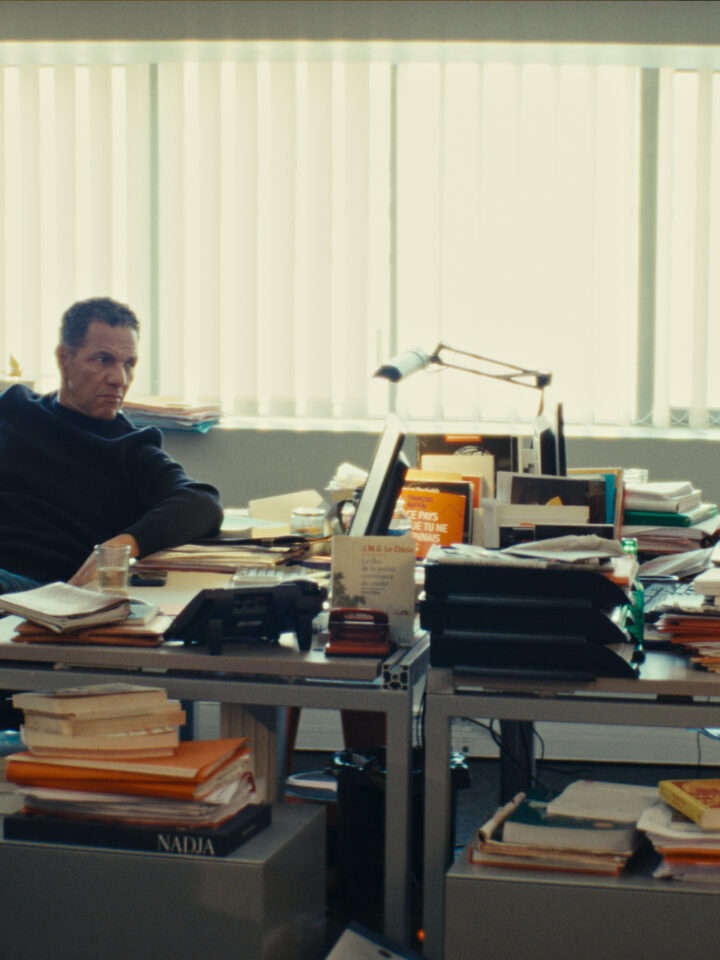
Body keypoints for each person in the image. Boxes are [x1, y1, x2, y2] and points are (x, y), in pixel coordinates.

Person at [0, 296, 223, 594]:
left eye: (129, 364)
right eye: (103, 360)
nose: (120, 379)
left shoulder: (131, 447)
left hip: (43, 589)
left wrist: (121, 547)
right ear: (64, 359)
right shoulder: (15, 408)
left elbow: (203, 503)